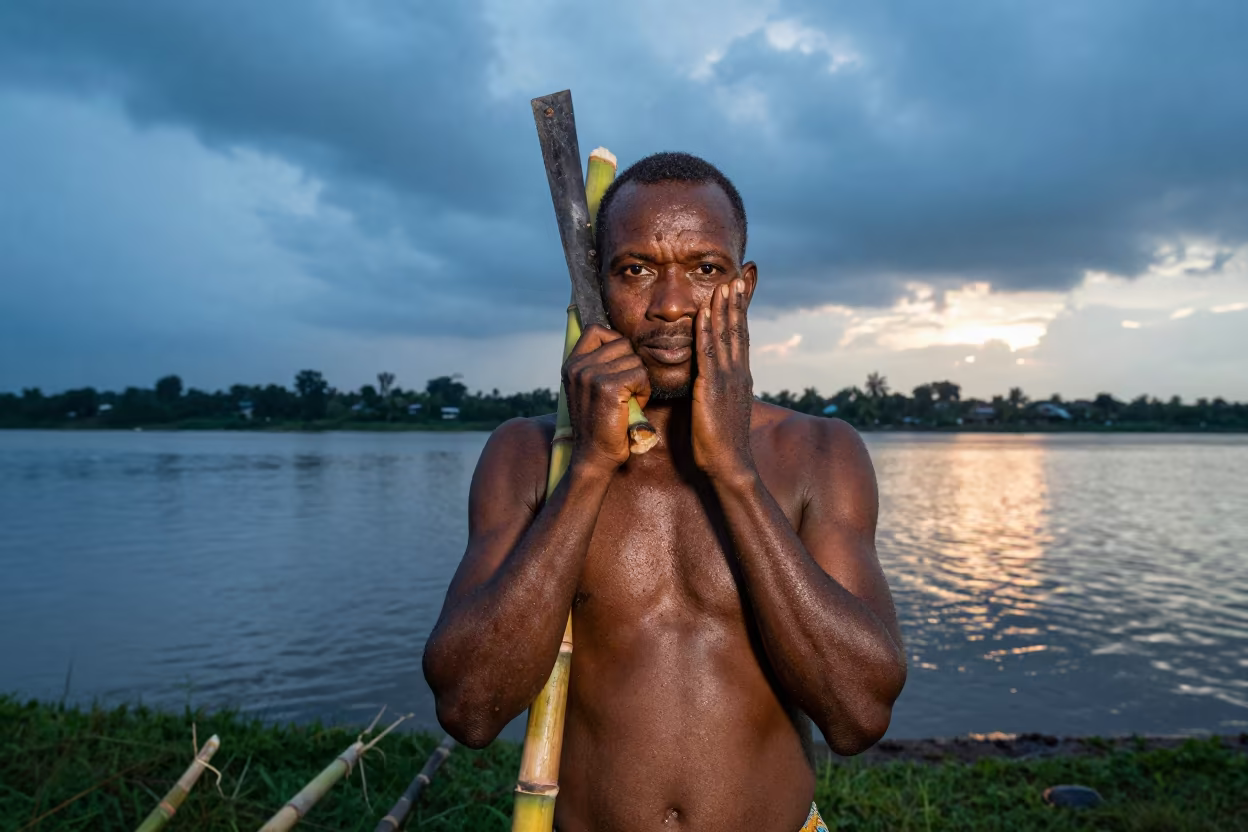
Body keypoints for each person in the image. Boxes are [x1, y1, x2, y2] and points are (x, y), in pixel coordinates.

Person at [423, 152, 906, 832]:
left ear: (743, 287)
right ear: (594, 282)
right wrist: (589, 468)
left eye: (705, 270)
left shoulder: (817, 453)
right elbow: (469, 708)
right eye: (636, 270)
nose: (671, 305)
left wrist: (734, 473)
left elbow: (859, 716)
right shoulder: (529, 455)